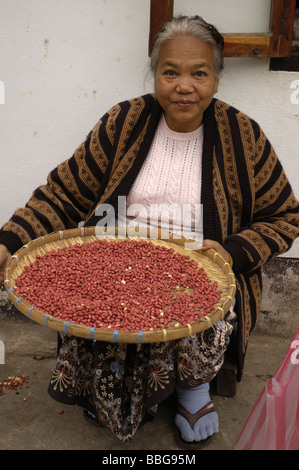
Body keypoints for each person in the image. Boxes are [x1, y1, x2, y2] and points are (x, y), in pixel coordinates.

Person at [0, 15, 299, 448]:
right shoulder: (124, 122)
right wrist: (8, 240)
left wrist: (232, 251)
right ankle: (113, 384)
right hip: (115, 261)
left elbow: (285, 216)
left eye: (199, 73)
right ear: (155, 75)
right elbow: (64, 193)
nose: (184, 85)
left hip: (201, 267)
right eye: (170, 71)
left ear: (216, 80)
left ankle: (191, 387)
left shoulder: (242, 135)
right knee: (104, 310)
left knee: (196, 303)